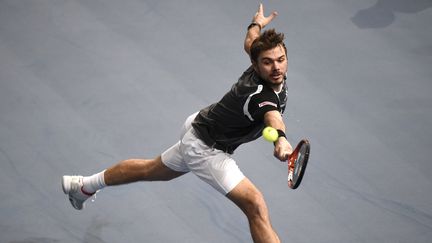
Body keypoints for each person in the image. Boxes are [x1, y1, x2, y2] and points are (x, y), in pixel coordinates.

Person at [62, 4, 292, 243]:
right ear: (256, 65)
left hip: (198, 125)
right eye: (268, 62)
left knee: (151, 170)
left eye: (281, 59)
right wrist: (282, 140)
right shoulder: (260, 96)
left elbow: (251, 43)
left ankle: (83, 186)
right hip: (206, 148)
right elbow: (273, 117)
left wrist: (256, 24)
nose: (276, 67)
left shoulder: (260, 61)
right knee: (254, 205)